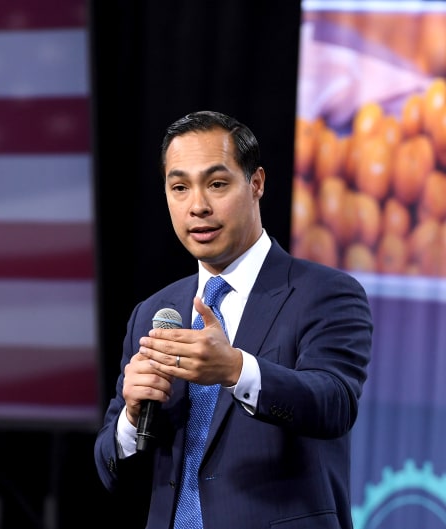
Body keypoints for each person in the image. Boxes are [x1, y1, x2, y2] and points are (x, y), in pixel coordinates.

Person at [94, 110, 373, 528]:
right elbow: (111, 470)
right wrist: (131, 419)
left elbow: (334, 403)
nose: (198, 206)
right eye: (180, 187)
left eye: (217, 184)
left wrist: (236, 369)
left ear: (256, 183)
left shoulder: (325, 293)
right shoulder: (153, 313)